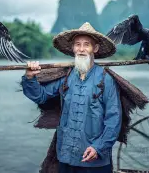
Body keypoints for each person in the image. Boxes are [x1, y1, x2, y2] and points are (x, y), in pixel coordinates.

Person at [21, 22, 122, 173]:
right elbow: (40, 96)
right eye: (77, 44)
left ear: (95, 48)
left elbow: (114, 119)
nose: (81, 49)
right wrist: (29, 77)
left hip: (95, 161)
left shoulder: (105, 79)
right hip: (66, 156)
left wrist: (98, 147)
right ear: (73, 48)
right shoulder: (66, 78)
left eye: (86, 45)